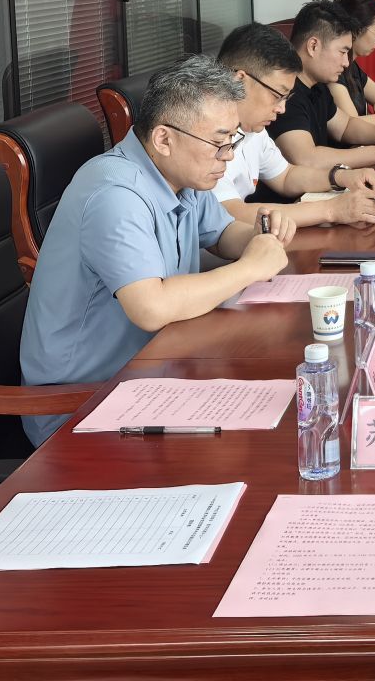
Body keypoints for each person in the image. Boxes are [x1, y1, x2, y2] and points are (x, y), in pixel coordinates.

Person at [19, 56, 294, 444]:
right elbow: (151, 307)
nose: (229, 156)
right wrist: (250, 268)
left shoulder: (180, 175)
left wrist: (260, 237)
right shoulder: (115, 194)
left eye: (232, 141)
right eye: (218, 143)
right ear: (164, 139)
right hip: (84, 404)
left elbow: (221, 234)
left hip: (156, 368)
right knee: (257, 440)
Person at [213, 22, 375, 227]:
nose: (282, 108)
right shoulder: (205, 132)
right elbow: (230, 213)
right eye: (277, 95)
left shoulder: (253, 129)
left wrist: (340, 177)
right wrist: (332, 210)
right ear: (240, 80)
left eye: (286, 98)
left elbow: (285, 176)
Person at [270, 0, 375, 171]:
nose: (346, 63)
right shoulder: (284, 92)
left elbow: (345, 127)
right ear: (313, 46)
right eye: (342, 52)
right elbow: (307, 158)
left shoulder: (317, 85)